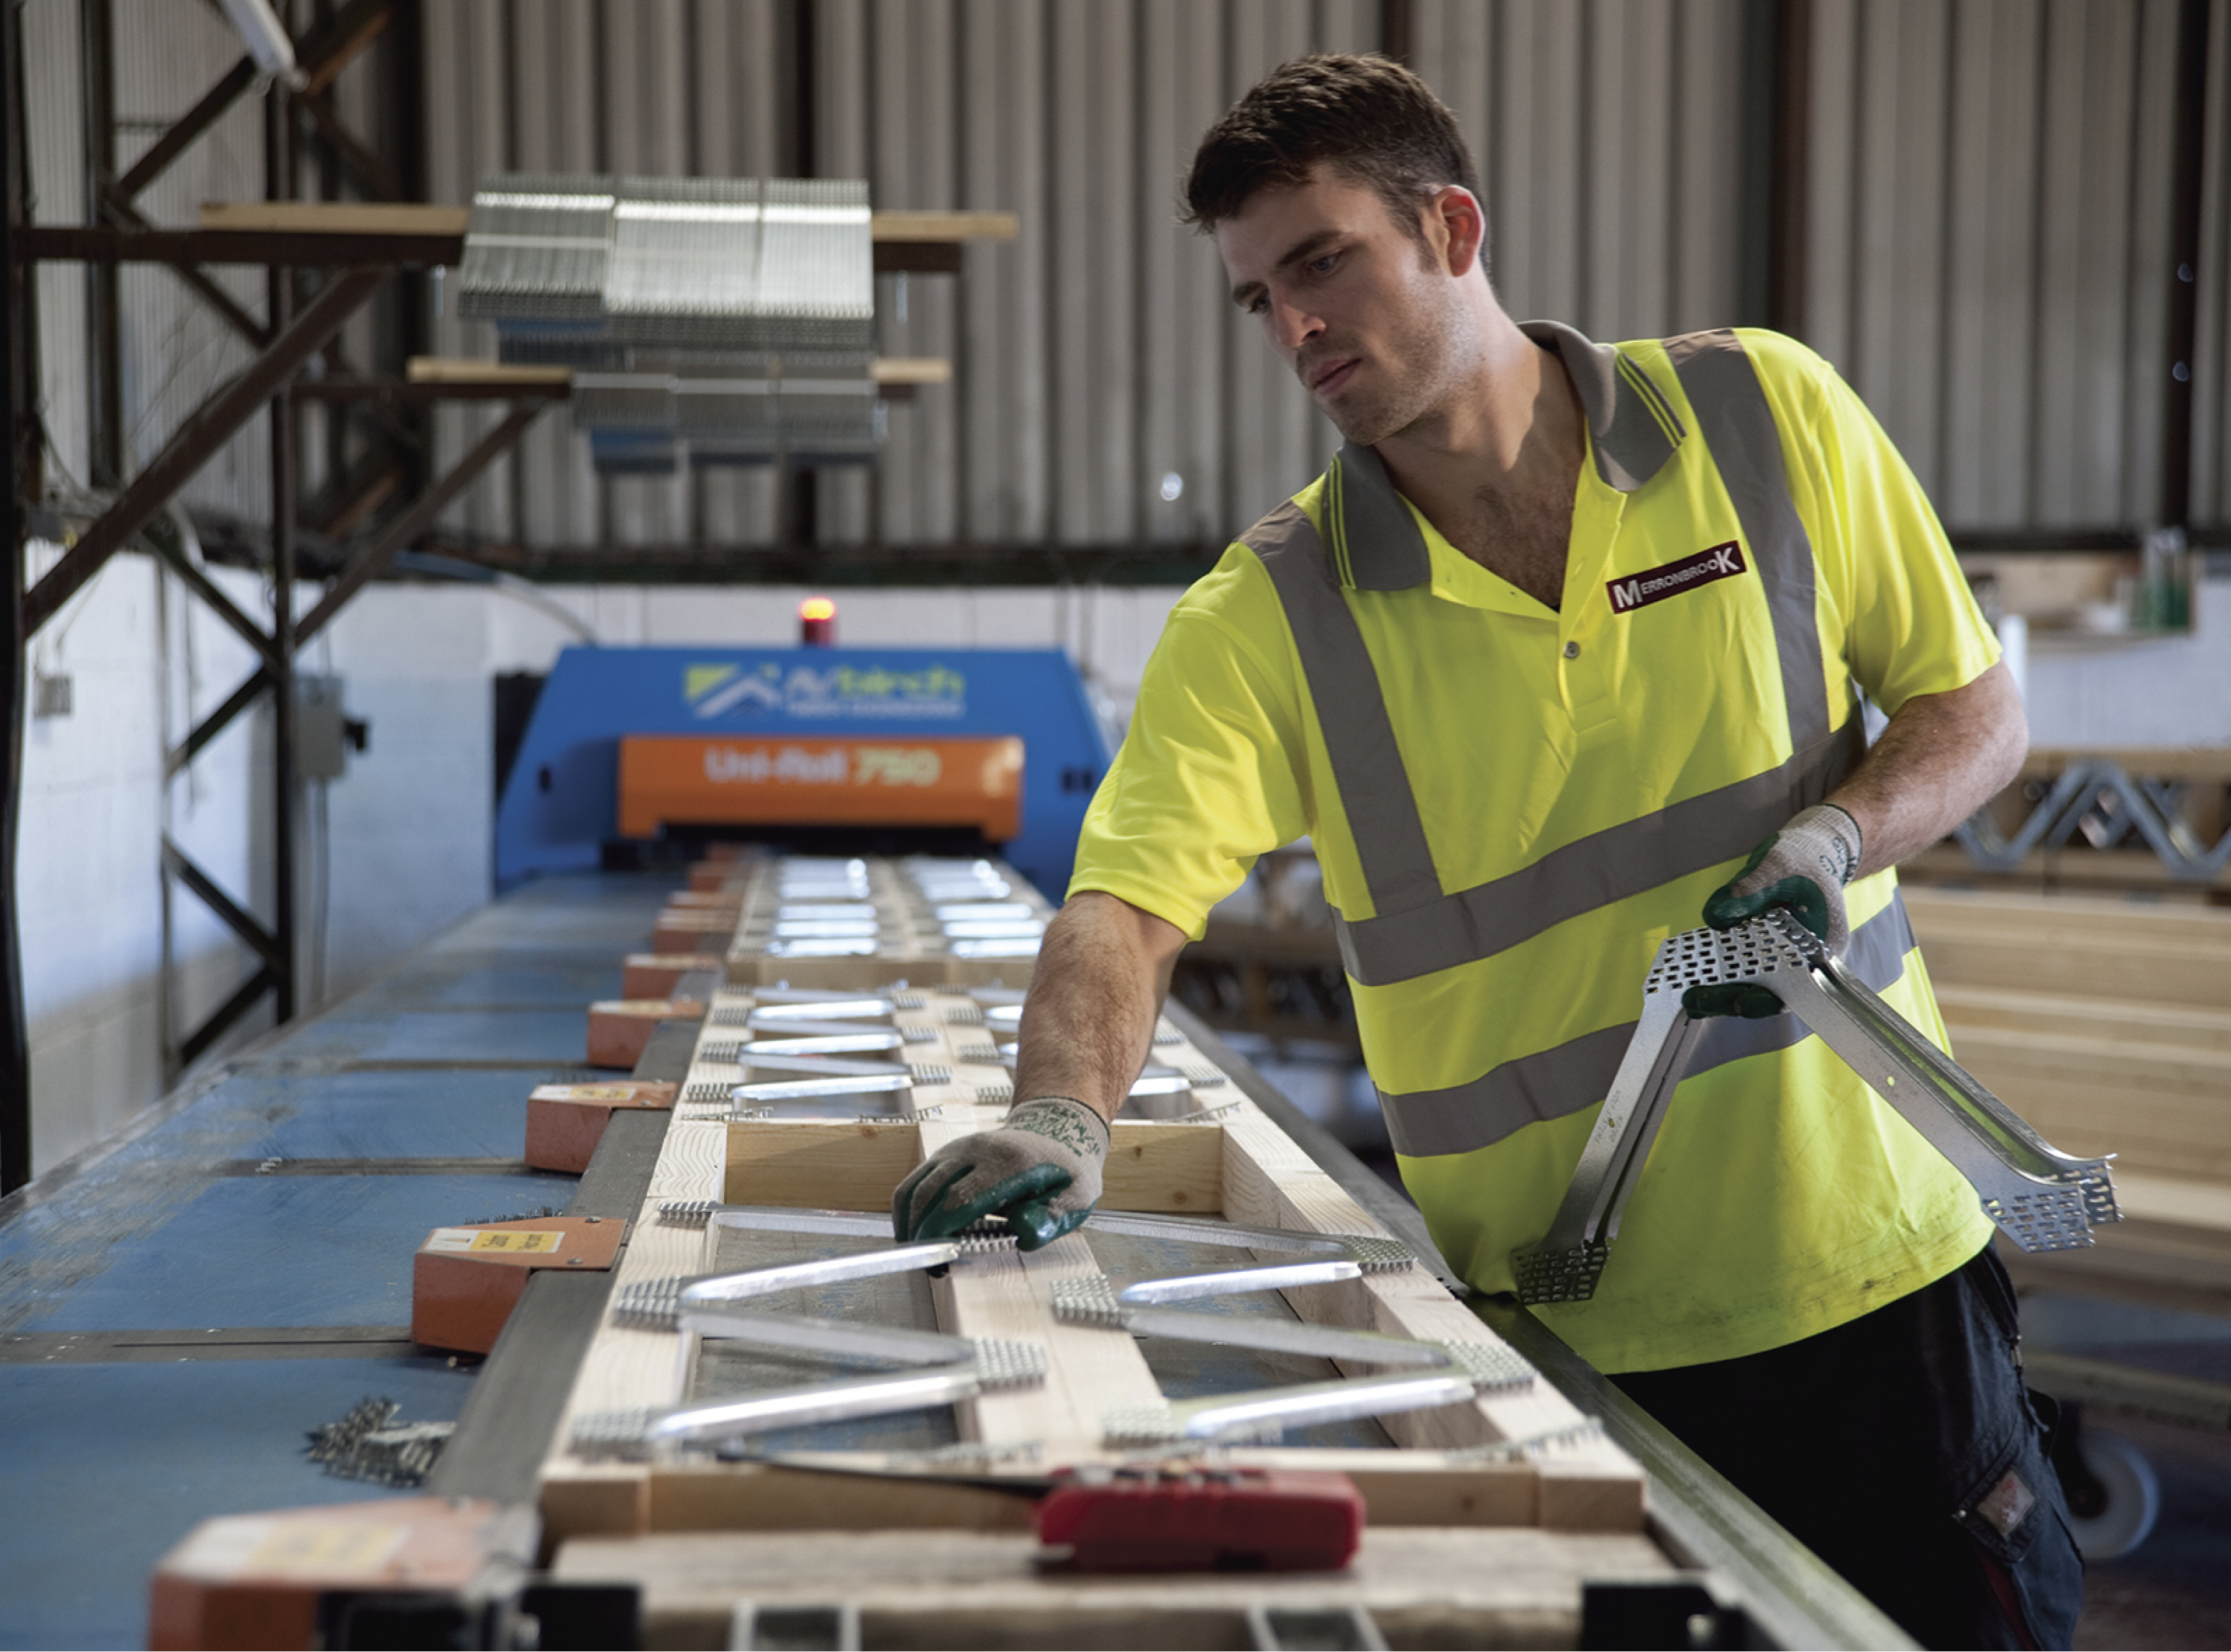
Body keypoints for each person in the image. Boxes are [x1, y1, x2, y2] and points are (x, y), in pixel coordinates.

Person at [891, 53, 2080, 1651]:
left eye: (1322, 263)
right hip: (1557, 1330)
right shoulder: (1267, 617)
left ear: (1450, 227)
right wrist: (1059, 1109)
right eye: (1257, 298)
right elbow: (1124, 901)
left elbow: (1972, 713)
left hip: (1874, 1283)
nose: (1294, 325)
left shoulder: (1760, 416)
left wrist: (1829, 835)